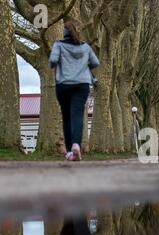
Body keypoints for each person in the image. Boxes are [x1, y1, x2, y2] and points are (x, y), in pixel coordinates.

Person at [49, 20, 100, 162]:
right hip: (82, 84)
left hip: (64, 84)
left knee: (66, 117)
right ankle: (76, 145)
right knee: (77, 115)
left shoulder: (58, 45)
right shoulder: (85, 47)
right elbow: (95, 62)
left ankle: (70, 151)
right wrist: (83, 64)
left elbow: (52, 61)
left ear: (64, 33)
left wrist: (56, 61)